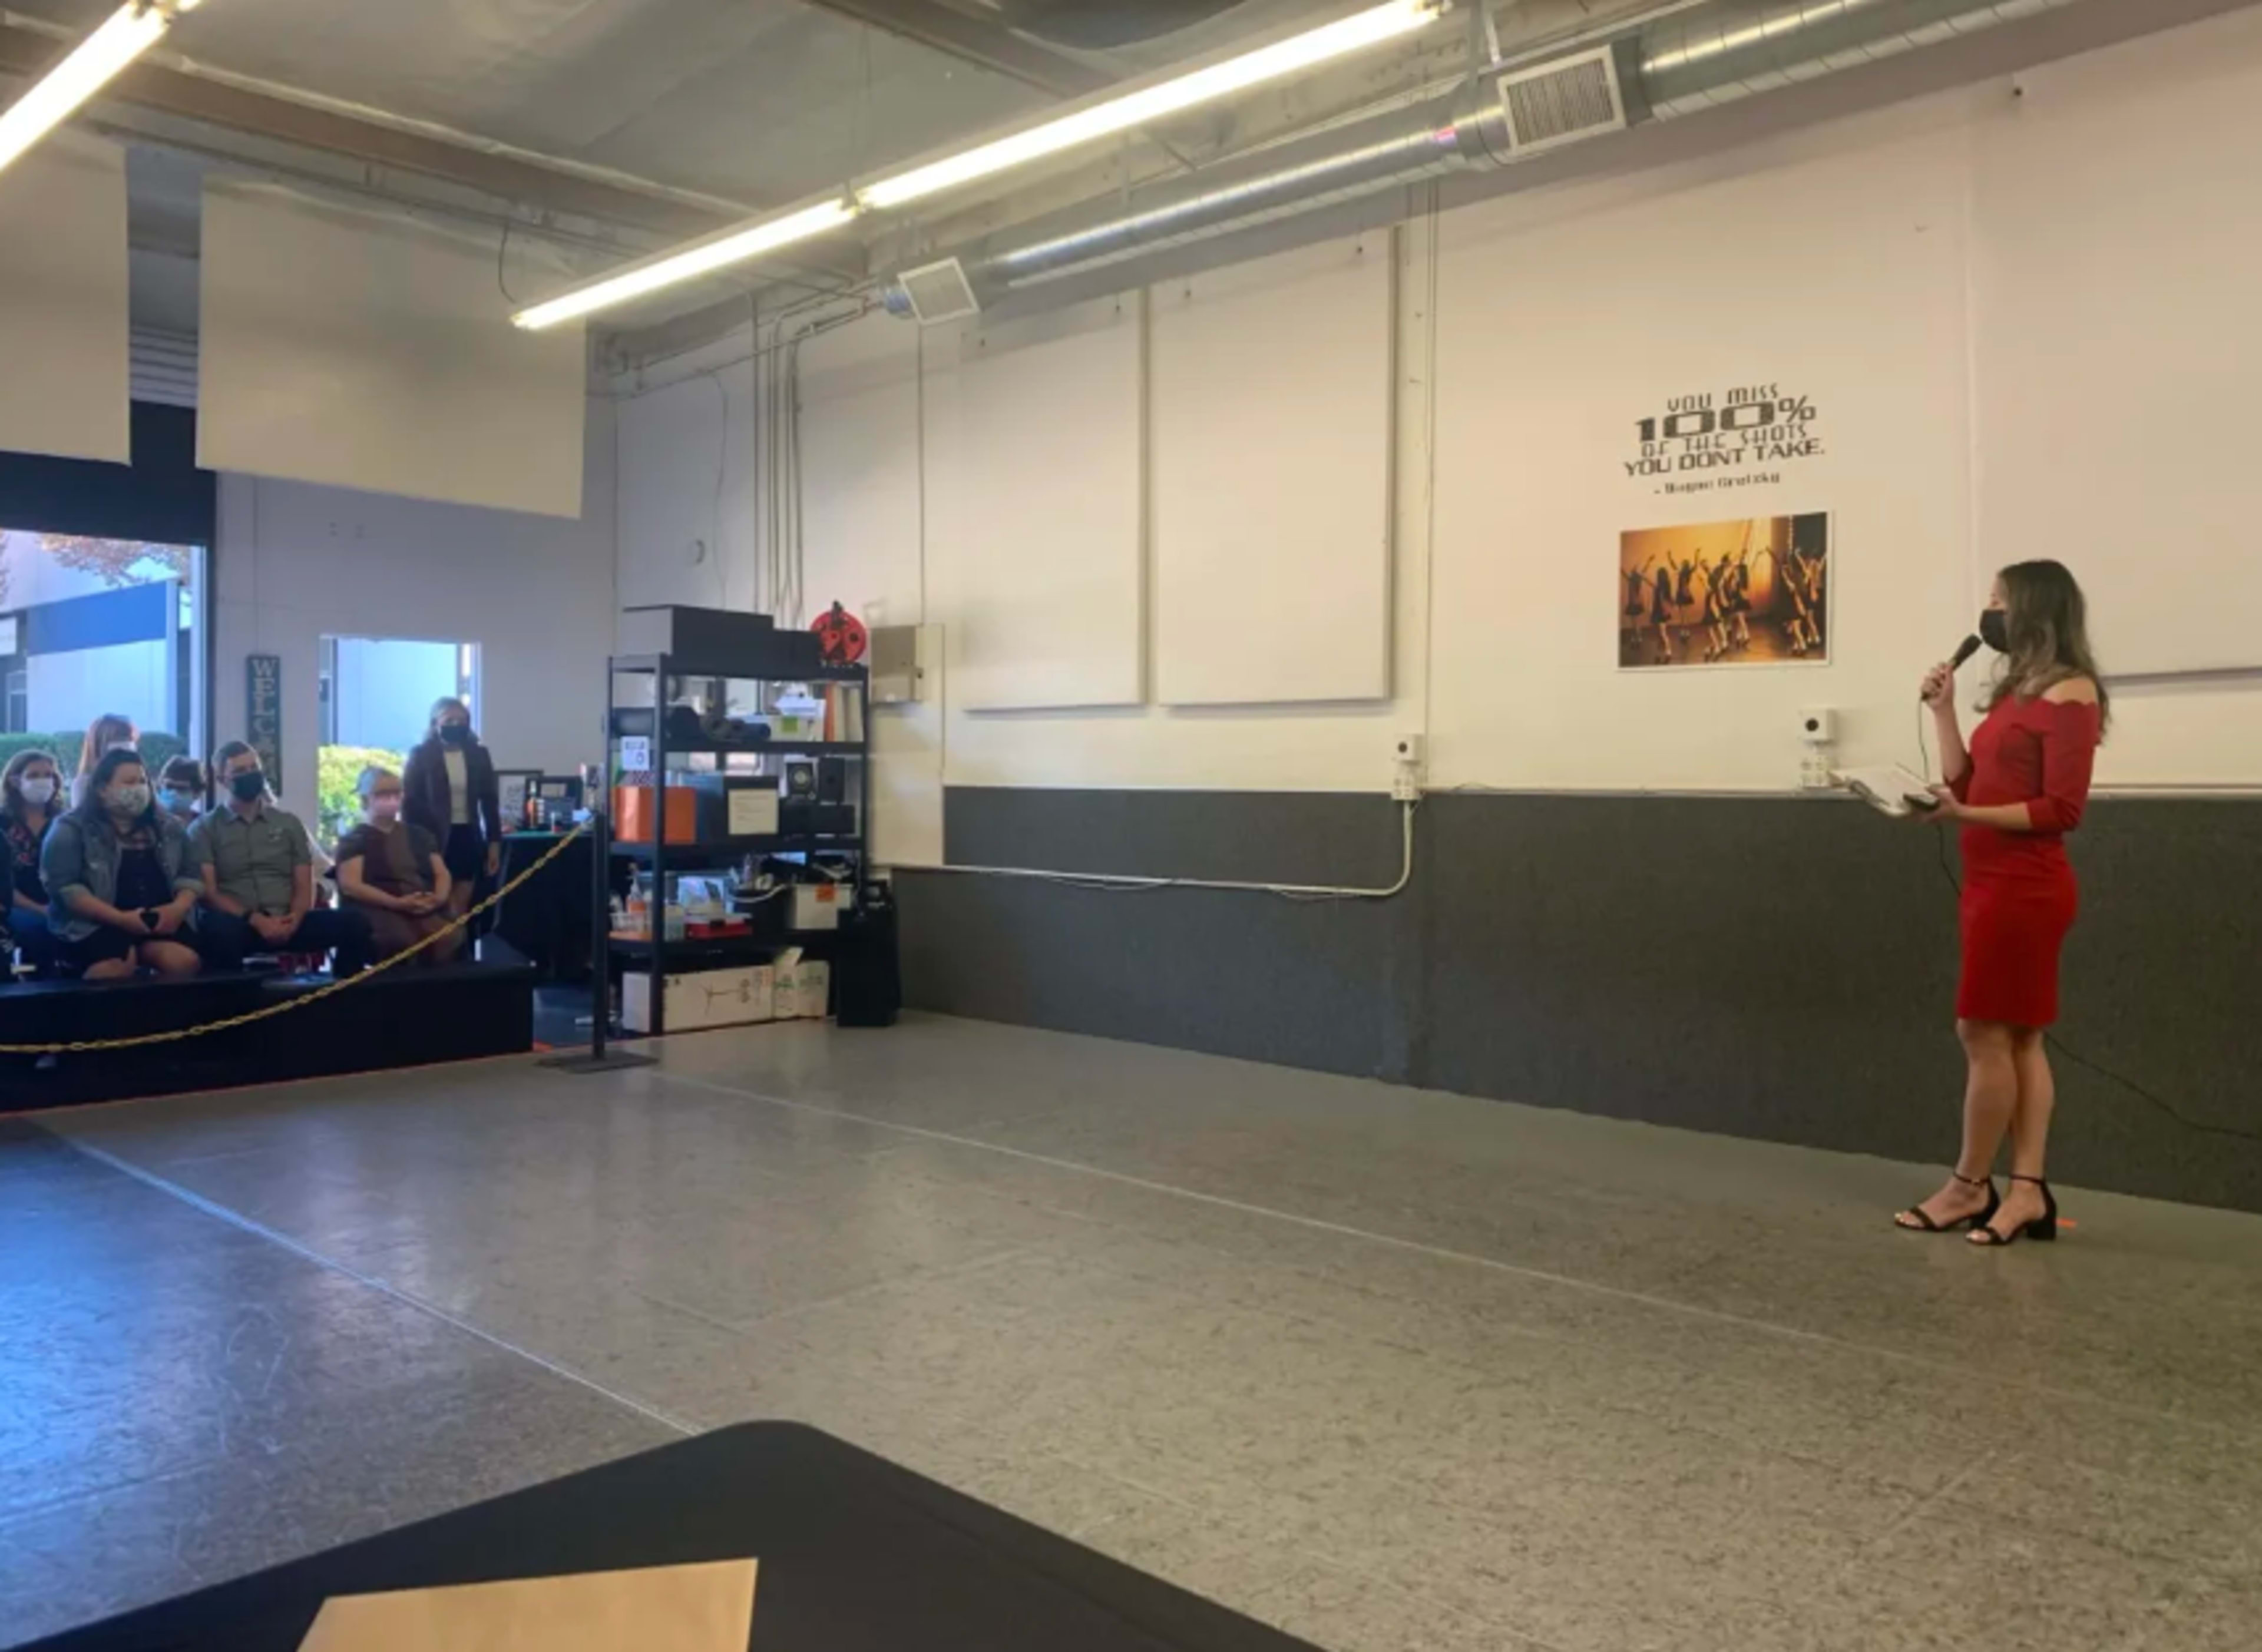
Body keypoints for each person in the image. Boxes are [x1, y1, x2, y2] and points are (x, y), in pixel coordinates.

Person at [1897, 559, 2105, 1247]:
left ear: (2035, 612)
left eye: (1999, 602)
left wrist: (1965, 815)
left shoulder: (2072, 695)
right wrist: (1943, 711)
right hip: (1988, 884)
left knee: (1982, 1032)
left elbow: (2061, 808)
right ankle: (2028, 1193)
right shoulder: (2015, 692)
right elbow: (1966, 778)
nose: (1988, 614)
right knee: (2016, 1038)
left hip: (2027, 888)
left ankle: (1968, 1186)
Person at [190, 741, 374, 975]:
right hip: (240, 924)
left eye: (253, 768)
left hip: (289, 922)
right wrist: (256, 920)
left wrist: (294, 920)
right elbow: (209, 893)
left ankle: (342, 1000)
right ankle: (234, 1008)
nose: (249, 775)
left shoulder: (289, 824)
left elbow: (304, 884)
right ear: (222, 780)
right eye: (239, 771)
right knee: (218, 931)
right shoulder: (204, 829)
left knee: (355, 923)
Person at [38, 749, 203, 981]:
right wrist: (120, 920)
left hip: (158, 922)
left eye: (142, 781)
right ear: (102, 789)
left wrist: (178, 909)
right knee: (111, 971)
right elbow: (66, 889)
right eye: (129, 782)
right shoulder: (69, 829)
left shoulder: (169, 827)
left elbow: (191, 875)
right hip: (93, 926)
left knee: (183, 962)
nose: (138, 788)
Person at [335, 765, 461, 966]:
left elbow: (442, 873)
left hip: (423, 905)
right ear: (365, 799)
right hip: (380, 909)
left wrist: (438, 899)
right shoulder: (355, 839)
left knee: (449, 935)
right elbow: (351, 885)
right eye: (383, 794)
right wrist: (397, 903)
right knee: (399, 939)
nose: (391, 799)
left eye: (396, 793)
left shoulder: (420, 835)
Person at [404, 697, 501, 922]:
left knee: (462, 904)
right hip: (432, 837)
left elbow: (489, 799)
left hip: (468, 834)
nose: (456, 725)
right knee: (439, 898)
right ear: (435, 723)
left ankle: (458, 948)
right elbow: (410, 803)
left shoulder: (478, 754)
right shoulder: (421, 755)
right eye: (449, 720)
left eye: (462, 720)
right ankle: (442, 948)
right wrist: (415, 843)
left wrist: (494, 842)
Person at [4, 748, 65, 974]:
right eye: (34, 775)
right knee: (40, 932)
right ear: (15, 781)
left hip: (63, 905)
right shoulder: (3, 823)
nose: (43, 781)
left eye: (48, 775)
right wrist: (40, 909)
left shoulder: (65, 822)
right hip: (14, 905)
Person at [70, 713, 140, 809]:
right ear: (99, 745)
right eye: (119, 738)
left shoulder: (140, 780)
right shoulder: (84, 784)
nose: (126, 743)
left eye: (129, 738)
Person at [157, 756, 208, 825]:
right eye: (169, 787)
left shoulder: (205, 826)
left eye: (181, 788)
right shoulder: (150, 825)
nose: (173, 793)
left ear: (197, 793)